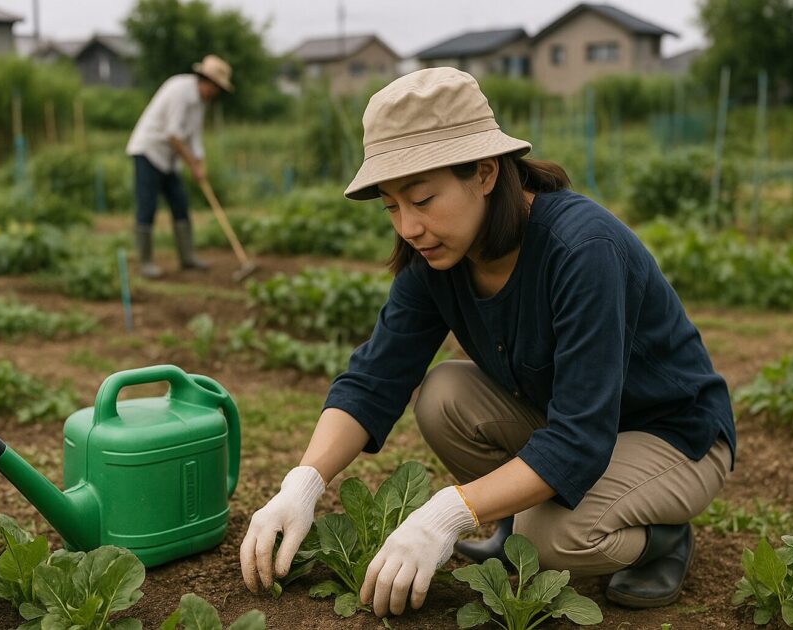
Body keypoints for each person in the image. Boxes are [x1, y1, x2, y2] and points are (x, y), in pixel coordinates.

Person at [240, 67, 736, 617]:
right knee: (444, 393)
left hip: (672, 436)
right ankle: (514, 519)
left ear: (483, 172)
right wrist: (303, 484)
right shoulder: (436, 259)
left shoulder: (582, 249)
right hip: (575, 424)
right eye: (391, 206)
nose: (408, 226)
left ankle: (661, 539)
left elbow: (580, 440)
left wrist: (447, 513)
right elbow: (374, 378)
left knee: (548, 543)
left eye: (423, 199)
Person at [126, 54, 233, 278]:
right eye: (216, 88)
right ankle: (145, 263)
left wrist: (200, 164)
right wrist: (192, 164)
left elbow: (194, 138)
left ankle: (187, 257)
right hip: (149, 151)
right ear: (207, 82)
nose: (216, 94)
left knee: (180, 203)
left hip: (170, 159)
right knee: (147, 206)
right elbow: (173, 135)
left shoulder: (200, 103)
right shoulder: (179, 91)